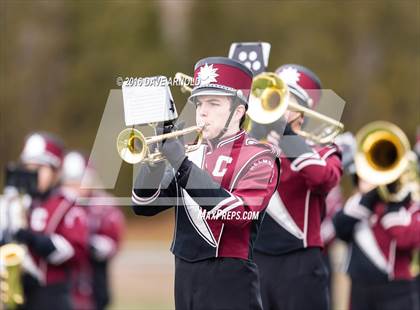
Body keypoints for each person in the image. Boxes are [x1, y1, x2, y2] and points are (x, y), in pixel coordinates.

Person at [131, 57, 280, 310]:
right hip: (185, 276)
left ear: (239, 111)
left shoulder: (260, 157)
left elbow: (238, 213)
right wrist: (155, 162)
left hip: (230, 280)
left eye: (213, 103)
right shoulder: (191, 153)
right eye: (199, 103)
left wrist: (181, 164)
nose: (202, 111)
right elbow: (143, 205)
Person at [252, 64, 342, 310]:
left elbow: (323, 179)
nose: (278, 103)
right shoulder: (254, 143)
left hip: (300, 265)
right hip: (256, 260)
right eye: (276, 94)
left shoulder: (323, 148)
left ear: (302, 111)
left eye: (288, 99)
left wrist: (286, 136)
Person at [1, 132, 89, 310]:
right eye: (28, 166)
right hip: (18, 292)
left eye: (39, 167)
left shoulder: (67, 204)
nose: (32, 173)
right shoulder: (16, 201)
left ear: (56, 172)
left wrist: (31, 238)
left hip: (52, 295)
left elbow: (73, 252)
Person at [333, 175, 420, 310]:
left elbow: (407, 239)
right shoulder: (357, 203)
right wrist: (369, 198)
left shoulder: (406, 204)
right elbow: (340, 228)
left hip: (396, 289)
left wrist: (393, 205)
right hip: (359, 289)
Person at [62, 151, 124, 310]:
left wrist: (89, 243)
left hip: (94, 283)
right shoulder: (58, 205)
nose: (74, 188)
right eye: (69, 182)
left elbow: (113, 243)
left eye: (79, 181)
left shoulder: (103, 205)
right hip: (63, 283)